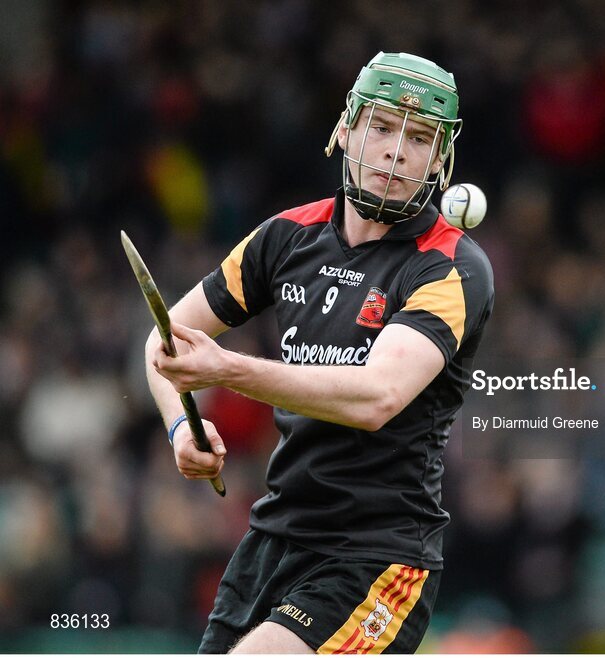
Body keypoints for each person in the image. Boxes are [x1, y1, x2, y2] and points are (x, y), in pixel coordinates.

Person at [145, 51, 493, 654]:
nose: (395, 150)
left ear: (440, 159)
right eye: (381, 127)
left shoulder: (453, 266)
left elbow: (376, 396)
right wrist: (181, 424)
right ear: (347, 129)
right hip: (272, 542)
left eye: (418, 138)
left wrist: (225, 369)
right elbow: (163, 339)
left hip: (377, 559)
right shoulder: (287, 236)